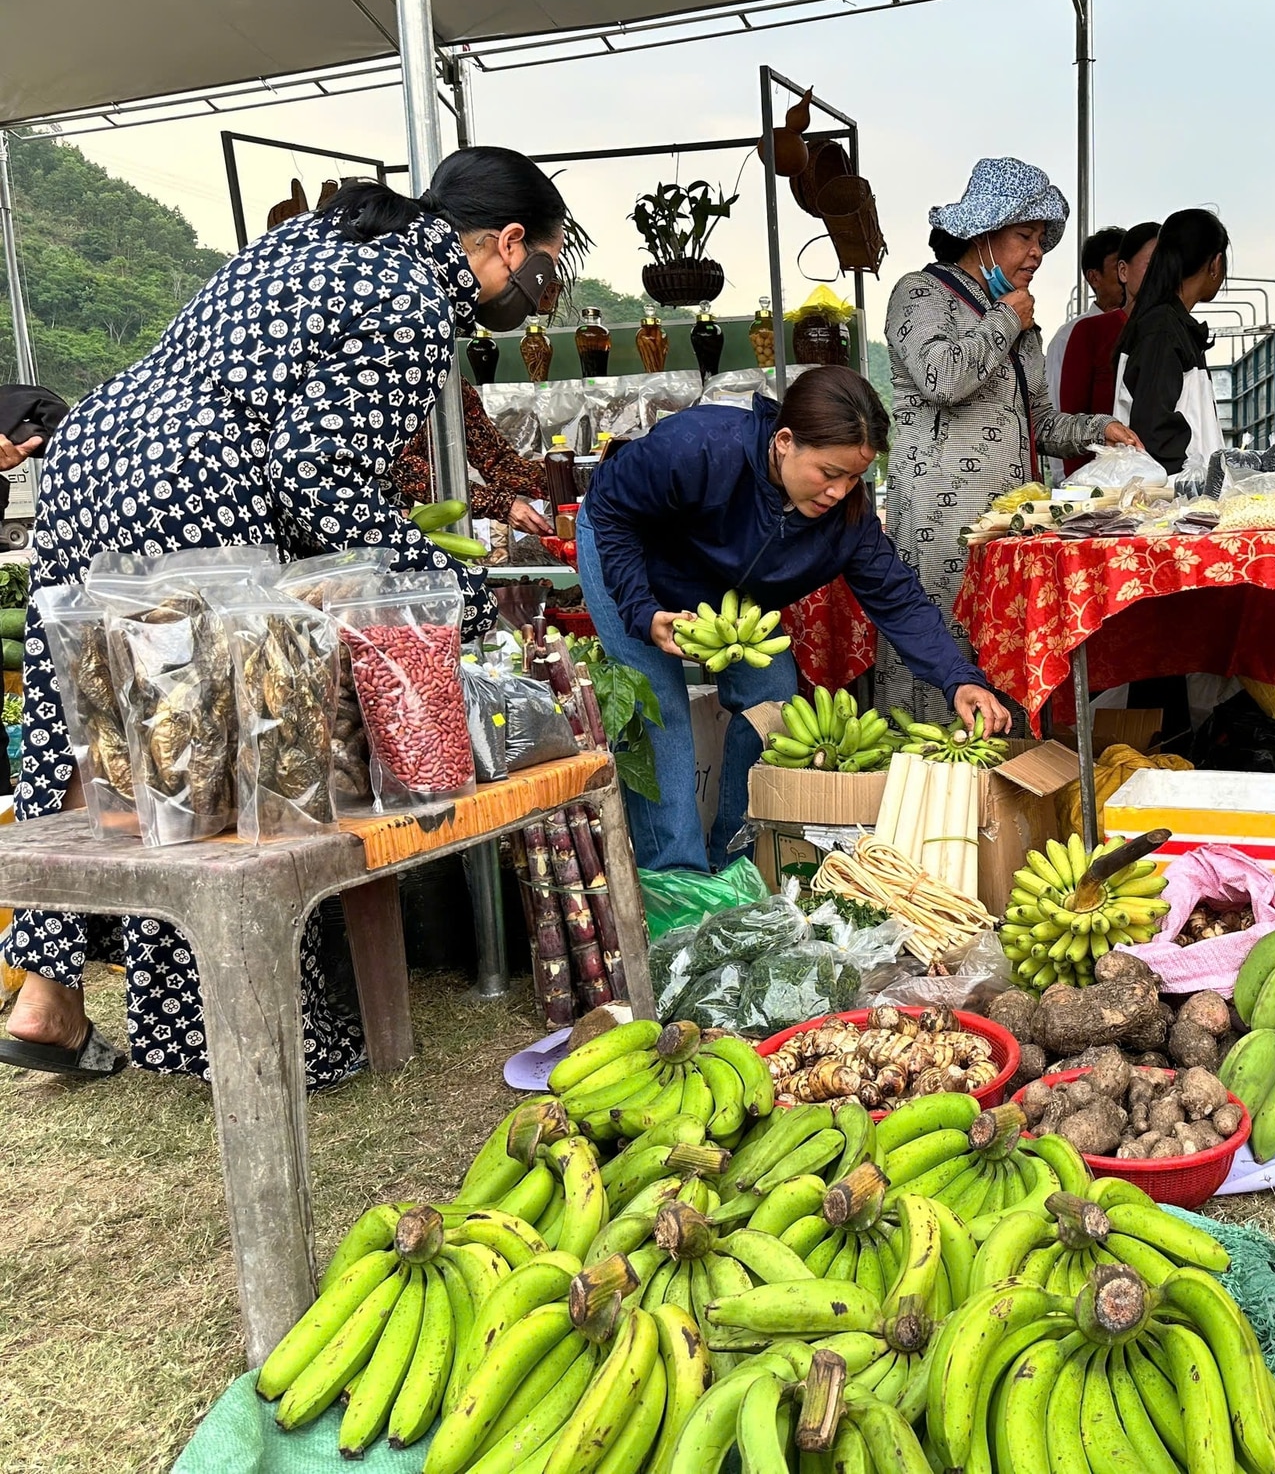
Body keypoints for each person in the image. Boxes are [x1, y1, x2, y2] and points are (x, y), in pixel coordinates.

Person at [0, 146, 569, 1086]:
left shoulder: (328, 234)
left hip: (90, 453)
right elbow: (320, 477)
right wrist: (449, 593)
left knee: (100, 732)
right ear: (508, 243)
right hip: (189, 478)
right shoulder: (417, 294)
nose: (533, 288)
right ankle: (230, 1039)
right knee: (210, 754)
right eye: (541, 265)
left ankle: (46, 999)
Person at [576, 366, 1014, 871]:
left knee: (774, 698)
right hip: (627, 547)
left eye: (855, 477)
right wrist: (640, 608)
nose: (840, 492)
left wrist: (957, 679)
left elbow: (898, 599)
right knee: (660, 712)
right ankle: (678, 883)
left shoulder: (849, 520)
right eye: (829, 474)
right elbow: (612, 511)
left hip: (719, 576)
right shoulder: (700, 446)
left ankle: (736, 858)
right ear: (784, 441)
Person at [880, 158, 1140, 719]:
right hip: (940, 533)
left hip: (1008, 537)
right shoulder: (920, 295)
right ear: (982, 234)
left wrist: (1099, 430)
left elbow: (1040, 424)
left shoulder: (1019, 321)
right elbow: (943, 377)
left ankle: (1003, 796)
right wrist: (1005, 320)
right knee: (939, 679)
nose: (1037, 253)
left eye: (1041, 240)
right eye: (1024, 236)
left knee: (1002, 676)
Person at [1113, 209, 1232, 476]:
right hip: (1171, 503)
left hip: (1184, 502)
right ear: (1215, 264)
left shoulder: (1169, 324)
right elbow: (1156, 436)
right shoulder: (1161, 330)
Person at [391, 378, 555, 536]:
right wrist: (501, 504)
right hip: (375, 519)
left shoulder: (449, 377)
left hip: (405, 527)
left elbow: (493, 457)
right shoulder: (383, 372)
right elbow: (404, 467)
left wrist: (555, 481)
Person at [1059, 221, 1159, 474]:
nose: (1161, 273)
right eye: (1151, 264)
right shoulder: (1086, 333)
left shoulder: (1179, 334)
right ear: (1123, 271)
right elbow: (1068, 421)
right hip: (1105, 488)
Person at [1045, 225, 1126, 420]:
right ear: (1094, 277)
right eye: (1118, 266)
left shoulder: (1145, 328)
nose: (1126, 275)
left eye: (1129, 265)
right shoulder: (1068, 336)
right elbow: (1056, 412)